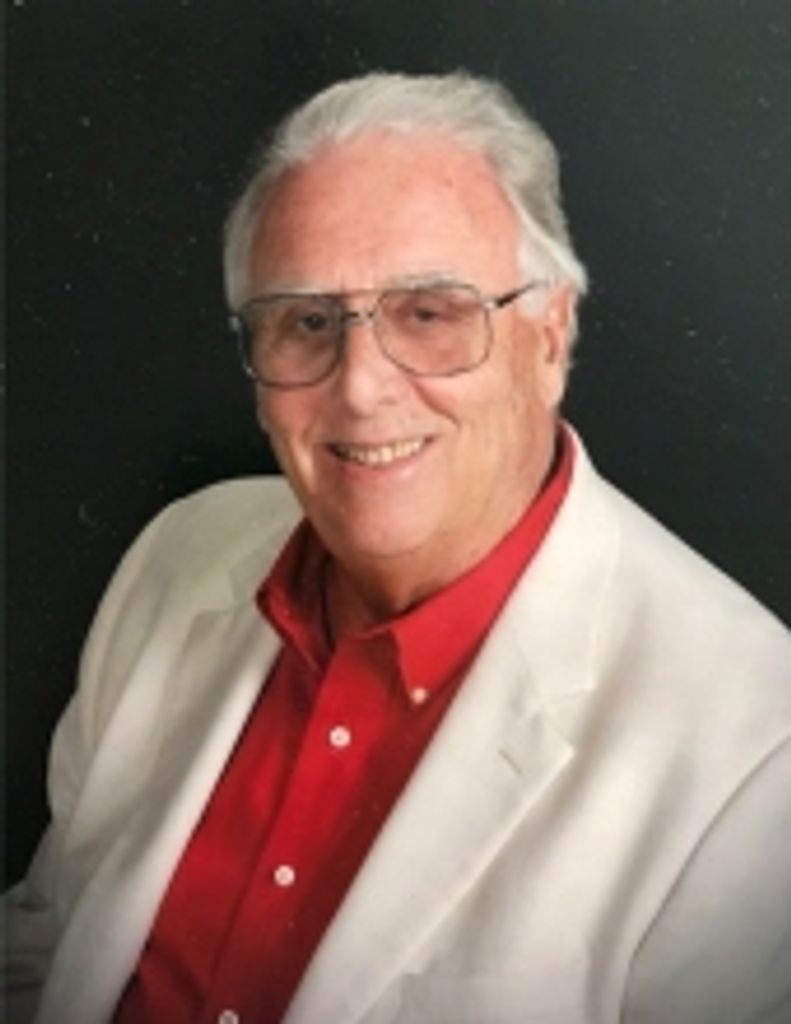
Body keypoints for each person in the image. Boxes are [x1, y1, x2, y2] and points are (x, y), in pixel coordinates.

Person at [3, 71, 790, 1024]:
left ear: (549, 337)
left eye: (429, 313)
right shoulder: (179, 554)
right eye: (307, 322)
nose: (361, 387)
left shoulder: (754, 758)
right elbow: (47, 939)